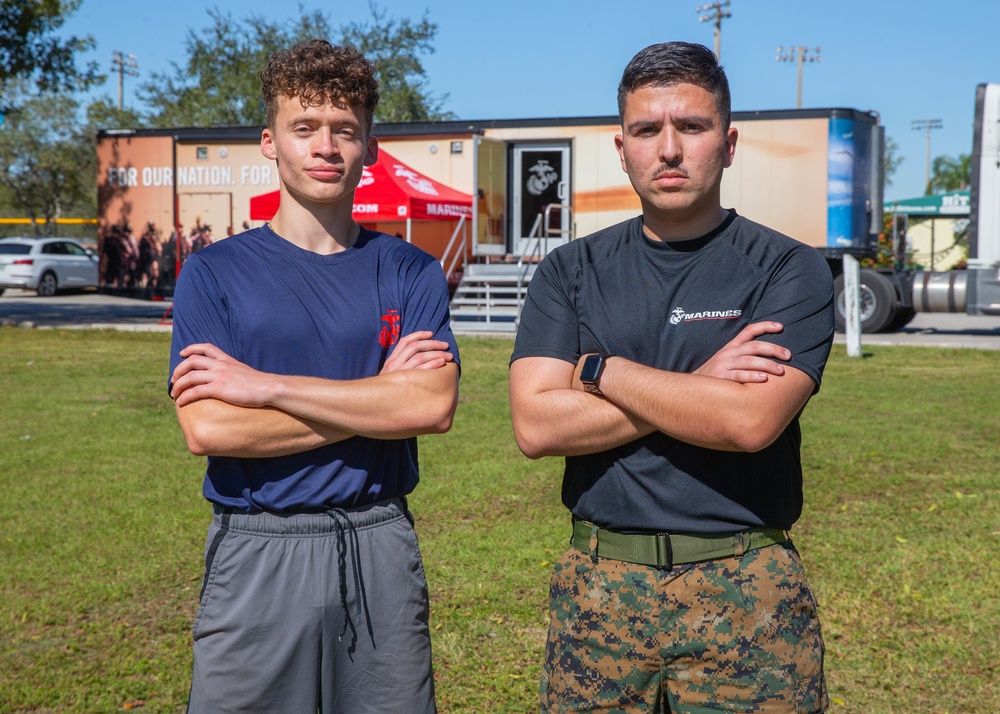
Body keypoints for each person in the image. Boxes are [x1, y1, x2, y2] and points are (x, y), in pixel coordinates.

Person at [509, 42, 833, 713]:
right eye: (646, 130)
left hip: (746, 589)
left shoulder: (787, 269)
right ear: (621, 146)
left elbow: (748, 422)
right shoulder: (570, 272)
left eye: (692, 126)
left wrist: (600, 370)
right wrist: (703, 380)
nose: (669, 149)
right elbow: (537, 425)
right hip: (600, 588)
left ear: (729, 141)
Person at [168, 39, 459, 714]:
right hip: (258, 546)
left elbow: (431, 407)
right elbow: (210, 425)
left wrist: (265, 387)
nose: (325, 146)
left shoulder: (408, 270)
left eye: (344, 130)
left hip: (377, 542)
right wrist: (378, 398)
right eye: (304, 128)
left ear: (370, 146)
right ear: (270, 141)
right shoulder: (214, 273)